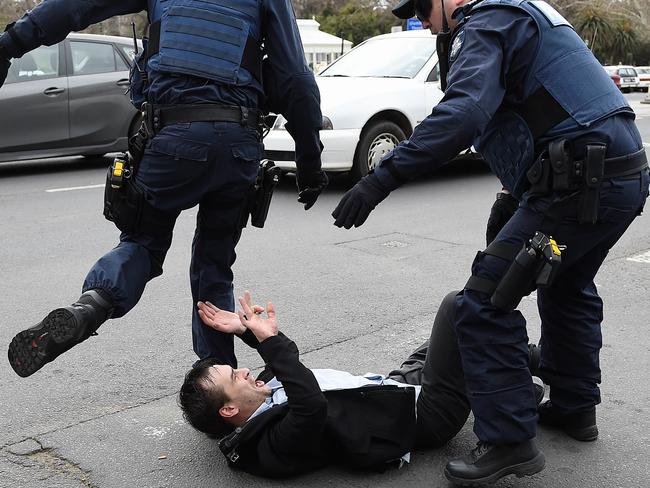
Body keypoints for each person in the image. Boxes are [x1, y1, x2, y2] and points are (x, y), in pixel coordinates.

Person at [331, 0, 649, 485]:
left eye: (422, 7)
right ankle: (574, 406)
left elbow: (464, 112)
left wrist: (380, 180)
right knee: (566, 284)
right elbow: (543, 110)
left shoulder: (486, 22)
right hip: (618, 181)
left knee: (482, 303)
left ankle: (509, 441)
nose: (422, 19)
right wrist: (517, 191)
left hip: (577, 186)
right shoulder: (525, 14)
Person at [1, 0, 328, 377]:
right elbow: (296, 81)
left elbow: (76, 7)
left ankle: (90, 307)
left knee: (143, 242)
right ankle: (218, 375)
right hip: (237, 145)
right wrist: (309, 161)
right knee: (214, 264)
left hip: (172, 141)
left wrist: (10, 44)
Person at [178, 291, 544, 479]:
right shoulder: (270, 445)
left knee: (457, 341)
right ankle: (517, 384)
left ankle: (520, 379)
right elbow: (310, 404)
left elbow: (291, 366)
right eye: (234, 377)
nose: (244, 372)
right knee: (458, 308)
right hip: (425, 416)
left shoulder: (260, 397)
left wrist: (249, 332)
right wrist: (270, 343)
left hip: (393, 387)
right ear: (229, 410)